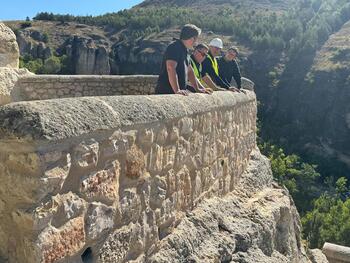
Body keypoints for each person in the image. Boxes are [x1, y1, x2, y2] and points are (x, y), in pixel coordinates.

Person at [156, 24, 207, 95]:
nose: (196, 42)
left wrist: (198, 89)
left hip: (175, 93)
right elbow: (170, 68)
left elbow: (190, 71)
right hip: (166, 93)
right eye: (196, 39)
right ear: (192, 38)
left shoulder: (185, 51)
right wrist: (177, 90)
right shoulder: (174, 47)